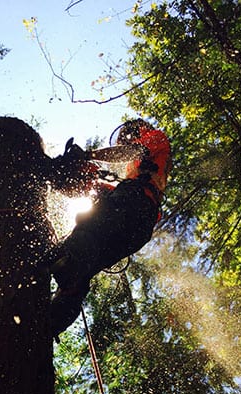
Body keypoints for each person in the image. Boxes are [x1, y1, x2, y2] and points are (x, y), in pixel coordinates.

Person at [48, 118, 172, 338]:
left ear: (134, 131)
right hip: (138, 227)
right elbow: (105, 191)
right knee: (83, 271)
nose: (124, 140)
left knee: (87, 228)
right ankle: (52, 321)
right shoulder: (140, 176)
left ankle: (52, 264)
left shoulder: (155, 138)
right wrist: (81, 177)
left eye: (125, 136)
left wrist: (88, 155)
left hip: (134, 205)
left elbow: (132, 152)